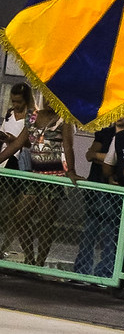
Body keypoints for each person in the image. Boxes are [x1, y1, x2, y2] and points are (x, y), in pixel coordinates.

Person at [0, 97, 80, 266]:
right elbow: (17, 144)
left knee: (46, 221)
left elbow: (68, 146)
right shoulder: (33, 116)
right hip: (33, 173)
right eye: (48, 97)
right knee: (20, 217)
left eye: (56, 98)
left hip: (54, 176)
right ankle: (29, 257)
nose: (50, 101)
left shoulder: (64, 119)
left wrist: (71, 170)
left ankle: (40, 263)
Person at [73, 114, 124, 276]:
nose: (121, 117)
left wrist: (107, 160)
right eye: (118, 112)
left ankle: (105, 273)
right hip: (96, 185)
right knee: (89, 231)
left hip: (116, 192)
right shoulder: (105, 132)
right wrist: (111, 159)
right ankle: (81, 271)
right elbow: (90, 154)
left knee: (110, 233)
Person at [0, 83, 36, 259]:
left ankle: (7, 246)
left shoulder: (32, 116)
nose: (16, 105)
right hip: (4, 162)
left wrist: (14, 141)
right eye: (13, 101)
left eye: (19, 102)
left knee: (14, 210)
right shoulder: (8, 114)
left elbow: (29, 143)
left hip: (19, 164)